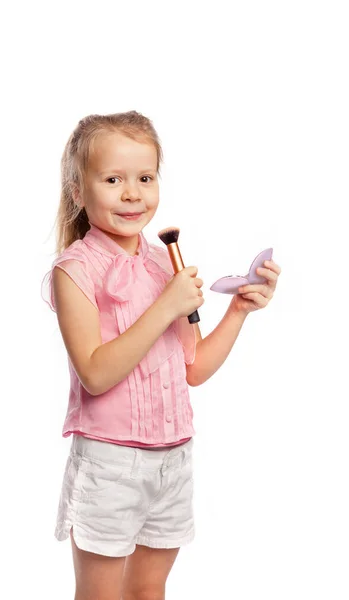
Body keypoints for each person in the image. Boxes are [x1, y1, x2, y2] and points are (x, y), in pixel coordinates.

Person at [41, 110, 281, 600]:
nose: (133, 193)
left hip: (174, 456)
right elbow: (95, 373)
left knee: (149, 590)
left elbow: (193, 369)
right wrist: (165, 305)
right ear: (78, 192)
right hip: (111, 461)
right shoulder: (75, 271)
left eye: (145, 178)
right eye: (113, 179)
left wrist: (237, 311)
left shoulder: (161, 262)